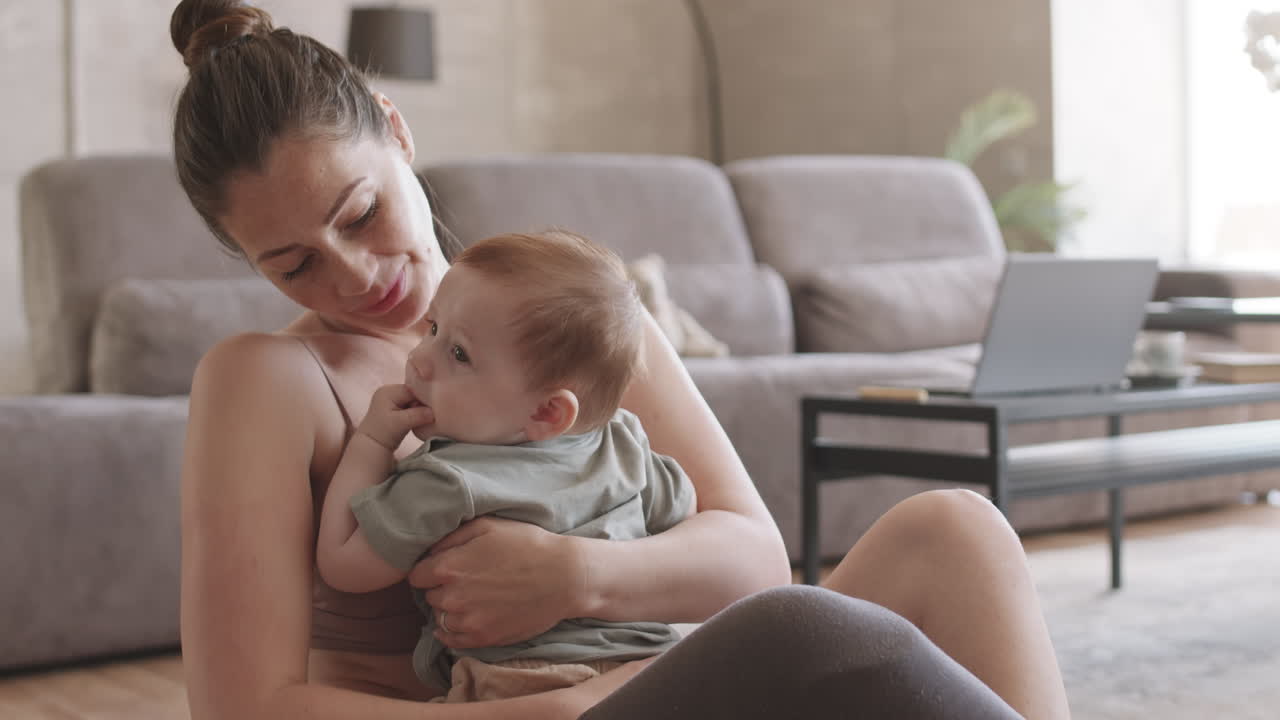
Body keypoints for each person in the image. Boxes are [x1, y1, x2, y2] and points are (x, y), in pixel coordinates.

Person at [172, 1, 1071, 718]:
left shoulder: (563, 315)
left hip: (644, 683)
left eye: (361, 214)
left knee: (958, 532)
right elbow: (244, 707)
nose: (355, 276)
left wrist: (574, 577)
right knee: (807, 635)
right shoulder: (267, 380)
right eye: (293, 265)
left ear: (397, 133)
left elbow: (756, 560)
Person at [315, 231, 696, 702]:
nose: (419, 358)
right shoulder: (624, 441)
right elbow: (681, 510)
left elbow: (344, 564)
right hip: (657, 671)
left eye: (458, 354)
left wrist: (372, 439)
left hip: (525, 684)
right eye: (433, 329)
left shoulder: (448, 482)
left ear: (545, 413)